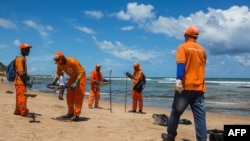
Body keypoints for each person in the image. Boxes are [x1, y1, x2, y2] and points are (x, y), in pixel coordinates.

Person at [161, 26, 207, 141]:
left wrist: (178, 80)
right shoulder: (202, 50)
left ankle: (170, 136)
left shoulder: (183, 47)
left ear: (187, 35)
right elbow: (202, 67)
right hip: (199, 88)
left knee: (176, 113)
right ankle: (202, 139)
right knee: (200, 117)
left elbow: (181, 63)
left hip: (185, 87)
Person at [51, 51, 86, 121]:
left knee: (78, 95)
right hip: (72, 78)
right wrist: (54, 80)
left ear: (62, 58)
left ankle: (77, 114)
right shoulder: (59, 64)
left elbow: (81, 72)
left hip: (80, 77)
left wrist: (76, 82)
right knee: (69, 95)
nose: (57, 62)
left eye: (58, 60)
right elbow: (58, 73)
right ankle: (70, 113)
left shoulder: (72, 61)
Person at [13, 43, 32, 116]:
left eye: (29, 49)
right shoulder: (20, 59)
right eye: (27, 49)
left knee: (19, 96)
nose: (28, 51)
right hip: (20, 82)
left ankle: (18, 110)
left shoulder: (22, 58)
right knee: (22, 97)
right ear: (22, 50)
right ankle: (23, 111)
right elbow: (21, 72)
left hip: (19, 81)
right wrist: (27, 81)